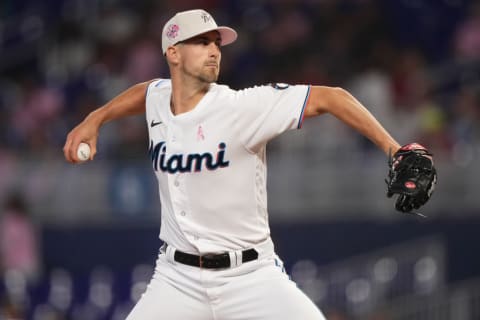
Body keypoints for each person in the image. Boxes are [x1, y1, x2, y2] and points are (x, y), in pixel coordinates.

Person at [63, 9, 433, 320]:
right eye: (202, 42)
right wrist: (94, 118)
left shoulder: (242, 107)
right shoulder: (159, 98)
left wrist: (394, 149)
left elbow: (332, 98)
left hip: (250, 277)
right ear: (173, 54)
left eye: (216, 43)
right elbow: (145, 92)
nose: (214, 50)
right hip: (177, 279)